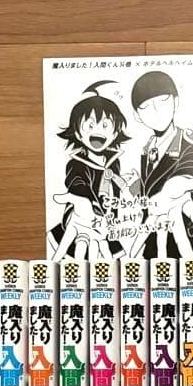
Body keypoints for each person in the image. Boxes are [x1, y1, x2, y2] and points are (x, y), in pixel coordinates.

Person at [128, 70, 193, 258]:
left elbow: (192, 168)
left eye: (162, 101)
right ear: (137, 115)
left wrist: (181, 185)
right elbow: (151, 191)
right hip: (155, 237)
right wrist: (134, 186)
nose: (156, 111)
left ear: (175, 102)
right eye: (146, 107)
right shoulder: (147, 148)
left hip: (191, 240)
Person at [49, 84, 132, 259]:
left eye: (105, 125)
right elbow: (76, 184)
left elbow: (112, 187)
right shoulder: (76, 163)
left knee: (106, 265)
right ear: (78, 134)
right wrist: (87, 204)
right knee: (80, 259)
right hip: (80, 223)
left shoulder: (114, 161)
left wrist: (125, 185)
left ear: (115, 133)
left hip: (106, 226)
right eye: (90, 125)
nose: (97, 131)